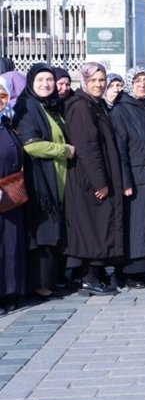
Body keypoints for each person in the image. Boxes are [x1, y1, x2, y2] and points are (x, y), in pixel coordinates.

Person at [63, 62, 125, 296]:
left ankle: (95, 274)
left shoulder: (94, 104)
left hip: (97, 176)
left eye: (102, 80)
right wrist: (100, 181)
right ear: (84, 81)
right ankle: (88, 278)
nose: (99, 84)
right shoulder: (81, 106)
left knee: (98, 226)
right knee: (91, 227)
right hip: (88, 180)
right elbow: (87, 147)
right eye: (93, 80)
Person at [12, 65, 74, 299]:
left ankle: (52, 280)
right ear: (31, 82)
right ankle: (40, 285)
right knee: (43, 232)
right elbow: (31, 144)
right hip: (39, 180)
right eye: (40, 80)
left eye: (49, 80)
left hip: (56, 178)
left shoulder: (51, 106)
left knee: (54, 231)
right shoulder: (28, 106)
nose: (46, 84)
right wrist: (64, 150)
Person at [109, 67, 145, 288]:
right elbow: (120, 149)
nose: (142, 85)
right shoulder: (121, 109)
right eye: (137, 81)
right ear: (129, 84)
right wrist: (125, 180)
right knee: (135, 224)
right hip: (133, 174)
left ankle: (142, 269)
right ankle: (129, 271)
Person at [0, 77, 29, 313]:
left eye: (2, 96)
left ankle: (10, 291)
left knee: (11, 243)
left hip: (11, 193)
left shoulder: (6, 122)